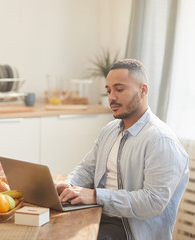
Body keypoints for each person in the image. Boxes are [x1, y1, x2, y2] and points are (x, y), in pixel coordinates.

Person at [55, 59, 189, 240]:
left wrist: (96, 196)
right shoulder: (109, 130)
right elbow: (88, 168)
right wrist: (69, 185)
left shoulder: (160, 140)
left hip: (130, 232)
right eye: (109, 91)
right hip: (98, 215)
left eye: (119, 89)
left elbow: (153, 202)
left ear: (143, 90)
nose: (112, 97)